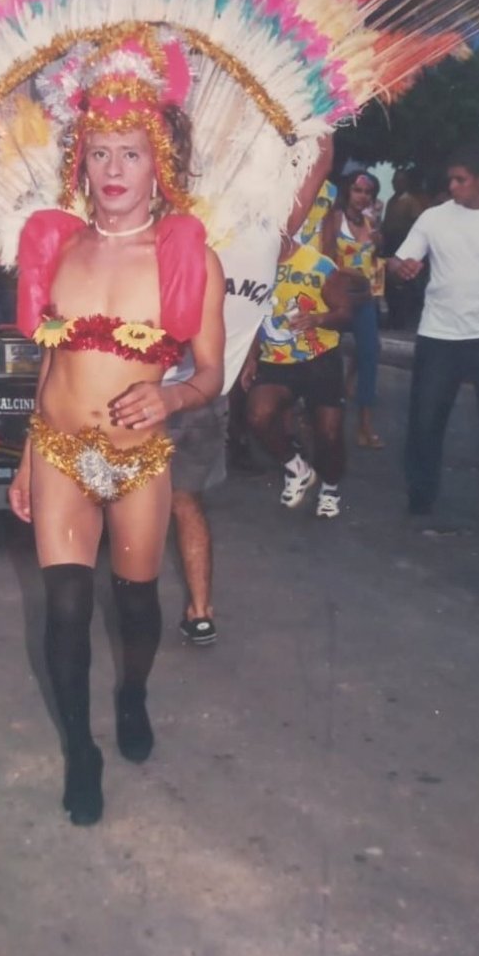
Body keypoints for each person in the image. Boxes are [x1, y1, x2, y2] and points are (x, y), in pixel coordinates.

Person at [7, 36, 225, 827]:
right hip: (62, 452)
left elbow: (209, 374)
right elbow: (51, 364)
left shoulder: (188, 255)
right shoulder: (58, 246)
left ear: (156, 159)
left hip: (138, 464)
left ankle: (131, 695)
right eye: (99, 152)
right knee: (64, 606)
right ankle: (80, 751)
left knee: (135, 606)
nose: (113, 170)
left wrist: (168, 402)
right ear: (81, 158)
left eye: (129, 153)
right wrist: (31, 455)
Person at [169, 142, 335, 645]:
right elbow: (320, 160)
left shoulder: (193, 220)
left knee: (136, 505)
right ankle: (200, 609)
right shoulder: (273, 238)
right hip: (202, 394)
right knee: (184, 501)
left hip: (159, 388)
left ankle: (160, 605)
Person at [389, 145, 479, 527]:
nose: (453, 187)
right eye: (450, 179)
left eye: (461, 179)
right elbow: (399, 259)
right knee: (426, 418)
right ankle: (421, 494)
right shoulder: (433, 219)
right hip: (438, 334)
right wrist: (400, 267)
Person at [245, 184, 357, 520]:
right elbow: (249, 313)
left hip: (319, 358)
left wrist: (319, 317)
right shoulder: (254, 267)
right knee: (258, 415)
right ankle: (297, 467)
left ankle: (331, 488)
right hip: (278, 360)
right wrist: (250, 357)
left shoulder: (319, 265)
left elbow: (346, 314)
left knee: (329, 432)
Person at [327, 170, 385, 448]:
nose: (363, 197)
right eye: (358, 191)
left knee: (371, 353)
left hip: (364, 299)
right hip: (337, 297)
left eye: (368, 192)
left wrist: (377, 241)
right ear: (347, 191)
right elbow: (326, 258)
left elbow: (376, 261)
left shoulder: (370, 222)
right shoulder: (335, 219)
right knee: (326, 355)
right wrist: (352, 274)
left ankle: (365, 424)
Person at [382, 168, 426, 330]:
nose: (397, 183)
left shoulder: (411, 201)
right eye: (395, 180)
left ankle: (403, 319)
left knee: (405, 285)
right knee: (390, 285)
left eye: (401, 180)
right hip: (390, 245)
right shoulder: (392, 200)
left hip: (405, 245)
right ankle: (393, 317)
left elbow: (417, 222)